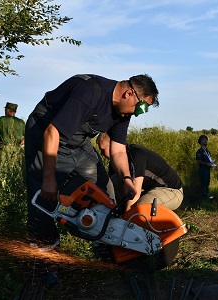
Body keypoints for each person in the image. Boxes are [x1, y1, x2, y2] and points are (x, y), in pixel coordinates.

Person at [24, 74, 159, 247]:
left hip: (78, 143)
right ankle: (44, 258)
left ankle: (105, 243)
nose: (138, 114)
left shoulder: (122, 113)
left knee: (105, 190)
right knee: (43, 198)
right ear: (129, 93)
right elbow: (52, 132)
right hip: (46, 138)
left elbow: (117, 150)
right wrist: (48, 179)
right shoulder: (89, 92)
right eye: (141, 108)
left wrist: (126, 179)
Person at [96, 132, 183, 212]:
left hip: (171, 190)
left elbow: (135, 191)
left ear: (113, 145)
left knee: (140, 207)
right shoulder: (115, 162)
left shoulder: (136, 155)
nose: (101, 153)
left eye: (103, 150)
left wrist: (127, 218)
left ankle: (131, 223)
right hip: (148, 189)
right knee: (114, 180)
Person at [196, 134, 216, 199]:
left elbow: (209, 159)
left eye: (206, 140)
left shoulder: (208, 151)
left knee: (207, 184)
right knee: (203, 184)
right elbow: (198, 161)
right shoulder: (200, 151)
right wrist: (206, 164)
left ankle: (206, 197)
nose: (205, 141)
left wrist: (211, 163)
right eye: (204, 140)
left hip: (208, 170)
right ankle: (202, 198)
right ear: (200, 142)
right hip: (202, 170)